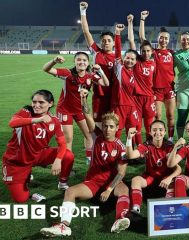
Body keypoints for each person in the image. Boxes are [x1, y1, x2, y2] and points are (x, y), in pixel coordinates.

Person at [40, 92, 131, 237]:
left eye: (111, 127)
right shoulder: (97, 136)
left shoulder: (121, 147)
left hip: (110, 181)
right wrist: (84, 100)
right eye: (106, 126)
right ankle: (64, 226)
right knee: (70, 192)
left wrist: (108, 190)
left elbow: (121, 173)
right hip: (93, 181)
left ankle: (120, 219)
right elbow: (87, 114)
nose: (107, 129)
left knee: (125, 190)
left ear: (117, 128)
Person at [2, 90, 74, 203]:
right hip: (18, 160)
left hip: (38, 154)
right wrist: (37, 119)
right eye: (34, 102)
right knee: (20, 199)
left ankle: (63, 183)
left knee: (68, 155)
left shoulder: (54, 120)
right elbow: (12, 123)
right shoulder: (26, 112)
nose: (36, 105)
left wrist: (58, 160)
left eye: (41, 102)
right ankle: (25, 175)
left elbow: (62, 144)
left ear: (50, 103)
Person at [42, 52, 109, 164]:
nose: (81, 62)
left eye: (84, 60)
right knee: (68, 139)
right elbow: (46, 69)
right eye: (79, 60)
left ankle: (89, 159)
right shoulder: (67, 73)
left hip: (80, 110)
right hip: (65, 111)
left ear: (88, 63)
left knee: (89, 134)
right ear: (75, 61)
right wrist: (54, 61)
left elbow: (106, 83)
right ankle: (68, 164)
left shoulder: (90, 75)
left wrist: (100, 71)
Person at [126, 120, 182, 214]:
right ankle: (136, 208)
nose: (158, 133)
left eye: (160, 130)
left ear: (165, 132)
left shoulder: (169, 147)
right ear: (150, 132)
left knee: (174, 181)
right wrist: (129, 138)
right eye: (154, 130)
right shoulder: (146, 145)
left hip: (165, 178)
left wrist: (169, 178)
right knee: (135, 180)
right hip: (150, 177)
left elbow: (178, 169)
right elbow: (130, 155)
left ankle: (169, 209)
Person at [139, 11, 176, 141]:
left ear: (169, 39)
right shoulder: (153, 52)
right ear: (158, 38)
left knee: (171, 115)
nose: (164, 40)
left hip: (169, 89)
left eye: (166, 38)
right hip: (156, 90)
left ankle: (170, 139)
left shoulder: (172, 53)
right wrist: (142, 20)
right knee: (158, 115)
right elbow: (143, 38)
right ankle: (157, 138)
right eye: (161, 37)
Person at [80, 2, 115, 127]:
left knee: (112, 124)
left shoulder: (118, 58)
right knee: (98, 125)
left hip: (114, 96)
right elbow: (86, 32)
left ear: (114, 43)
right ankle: (98, 146)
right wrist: (83, 11)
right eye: (103, 41)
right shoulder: (96, 52)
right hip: (99, 95)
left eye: (109, 41)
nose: (106, 43)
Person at [111, 24, 139, 139]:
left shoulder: (137, 72)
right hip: (119, 105)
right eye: (127, 58)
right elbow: (117, 49)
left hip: (132, 106)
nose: (129, 61)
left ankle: (131, 154)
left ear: (136, 61)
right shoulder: (119, 67)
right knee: (117, 131)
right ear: (123, 57)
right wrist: (117, 33)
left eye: (132, 59)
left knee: (132, 131)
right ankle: (114, 152)